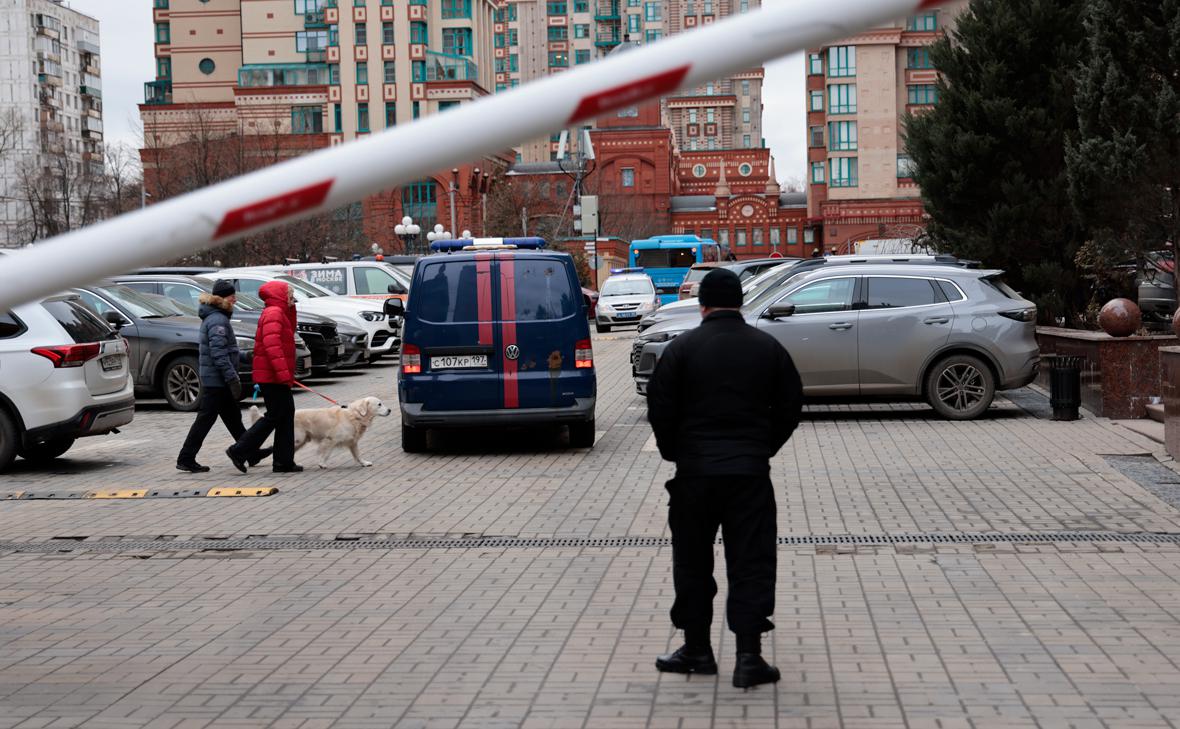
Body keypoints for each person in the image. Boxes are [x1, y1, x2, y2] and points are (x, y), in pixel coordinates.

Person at [646, 268, 803, 689]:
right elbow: (791, 406)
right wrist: (761, 447)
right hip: (749, 476)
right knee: (751, 562)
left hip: (694, 476)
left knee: (693, 562)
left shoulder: (681, 349)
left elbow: (660, 407)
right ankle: (749, 658)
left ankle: (697, 649)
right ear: (740, 302)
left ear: (703, 304)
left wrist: (675, 452)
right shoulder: (768, 348)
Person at [176, 280, 271, 472]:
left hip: (217, 378)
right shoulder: (218, 319)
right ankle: (186, 458)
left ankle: (249, 452)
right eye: (231, 295)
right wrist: (231, 378)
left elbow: (225, 350)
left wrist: (245, 356)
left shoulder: (217, 316)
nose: (235, 298)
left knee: (232, 418)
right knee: (205, 419)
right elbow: (218, 354)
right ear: (221, 298)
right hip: (217, 380)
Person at [226, 280, 302, 473]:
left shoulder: (278, 312)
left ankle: (283, 461)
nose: (292, 298)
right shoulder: (273, 313)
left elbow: (290, 331)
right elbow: (272, 346)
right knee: (276, 415)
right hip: (272, 376)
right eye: (289, 294)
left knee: (284, 416)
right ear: (280, 295)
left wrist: (291, 309)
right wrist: (283, 373)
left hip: (274, 375)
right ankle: (239, 450)